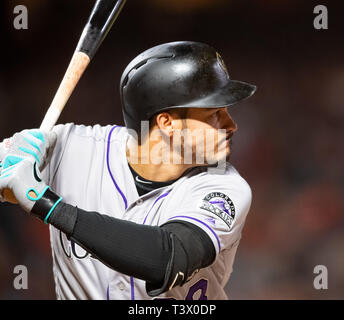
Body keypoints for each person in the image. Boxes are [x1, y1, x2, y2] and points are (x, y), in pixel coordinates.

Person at [0, 41, 256, 300]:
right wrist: (9, 162)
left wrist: (46, 204)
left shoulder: (225, 187)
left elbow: (167, 258)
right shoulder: (67, 148)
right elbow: (9, 176)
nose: (231, 125)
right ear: (167, 123)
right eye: (215, 114)